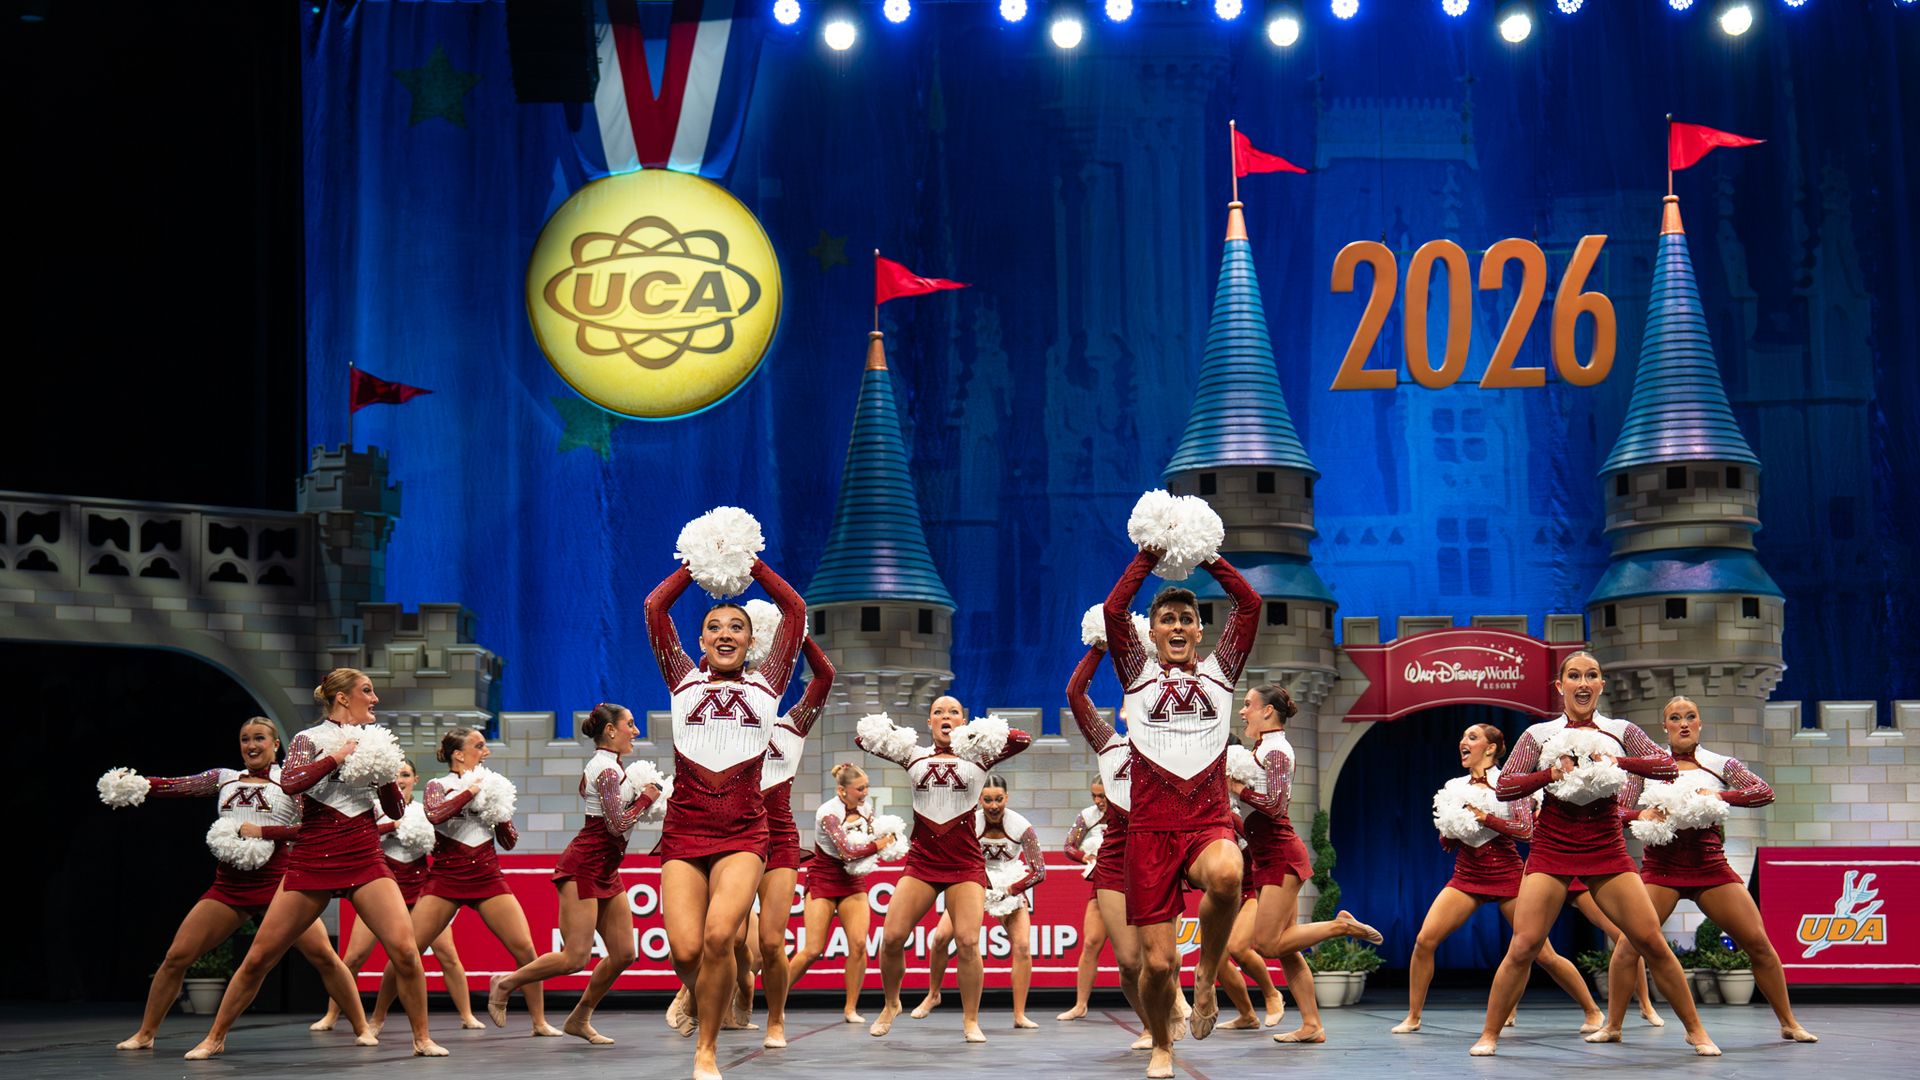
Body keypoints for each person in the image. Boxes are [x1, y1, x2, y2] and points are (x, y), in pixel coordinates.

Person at [184, 670, 445, 1059]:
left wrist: (384, 774)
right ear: (342, 698)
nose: (375, 699)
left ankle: (422, 1038)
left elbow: (394, 809)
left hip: (363, 855)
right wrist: (341, 756)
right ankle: (214, 1036)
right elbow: (290, 782)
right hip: (313, 856)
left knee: (405, 951)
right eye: (367, 692)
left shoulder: (376, 741)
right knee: (259, 957)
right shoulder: (309, 739)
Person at [1468, 652, 1717, 1057]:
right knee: (1525, 945)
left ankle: (1696, 1030)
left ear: (1601, 684)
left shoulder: (1621, 730)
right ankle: (1490, 1034)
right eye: (1574, 676)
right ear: (1560, 686)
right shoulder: (1538, 734)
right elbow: (1507, 786)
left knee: (1651, 939)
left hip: (1605, 847)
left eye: (1591, 675)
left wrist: (1615, 760)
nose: (1583, 683)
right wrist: (1550, 774)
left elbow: (1664, 765)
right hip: (1552, 847)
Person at [116, 718, 371, 1051]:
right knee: (176, 957)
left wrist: (265, 832)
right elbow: (175, 785)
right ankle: (145, 1034)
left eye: (260, 738)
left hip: (282, 885)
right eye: (245, 739)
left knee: (323, 956)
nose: (252, 745)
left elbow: (308, 830)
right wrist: (135, 784)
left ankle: (362, 1027)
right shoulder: (224, 778)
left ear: (276, 744)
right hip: (229, 886)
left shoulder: (291, 781)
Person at [644, 557, 806, 1080]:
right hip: (684, 830)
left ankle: (706, 1051)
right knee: (687, 950)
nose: (725, 633)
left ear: (752, 640)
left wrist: (749, 564)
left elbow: (795, 608)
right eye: (714, 626)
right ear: (700, 641)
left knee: (720, 938)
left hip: (744, 833)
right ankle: (703, 996)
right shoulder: (681, 679)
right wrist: (697, 564)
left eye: (737, 626)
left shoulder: (770, 685)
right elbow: (655, 606)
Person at [1102, 549, 1256, 1076]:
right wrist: (1148, 556)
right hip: (1148, 831)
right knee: (1158, 965)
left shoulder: (1221, 674)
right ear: (1155, 632)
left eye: (1187, 619)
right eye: (1167, 618)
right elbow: (1115, 610)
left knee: (1229, 871)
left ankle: (1208, 978)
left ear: (1198, 632)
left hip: (1206, 819)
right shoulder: (1136, 675)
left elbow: (1249, 603)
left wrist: (1206, 555)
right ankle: (1164, 1042)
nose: (1177, 625)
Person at [1592, 696, 1816, 1044]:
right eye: (1675, 718)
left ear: (1699, 723)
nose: (1683, 723)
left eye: (1690, 717)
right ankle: (1613, 1027)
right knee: (1627, 945)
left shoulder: (1719, 764)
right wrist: (1641, 815)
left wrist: (1718, 798)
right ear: (1664, 726)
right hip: (1661, 870)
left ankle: (1788, 1022)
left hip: (1710, 868)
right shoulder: (1648, 766)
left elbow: (1763, 792)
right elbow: (1614, 812)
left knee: (1758, 944)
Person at [1390, 723, 1603, 1035]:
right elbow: (1447, 841)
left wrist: (1484, 817)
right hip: (1467, 875)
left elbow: (1526, 830)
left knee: (1542, 952)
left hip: (1508, 876)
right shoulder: (1454, 786)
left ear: (1490, 748)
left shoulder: (1508, 784)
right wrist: (1449, 834)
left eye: (1472, 737)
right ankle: (1413, 1016)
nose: (1464, 742)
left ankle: (1593, 1011)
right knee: (1425, 940)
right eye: (1462, 737)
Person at [486, 704, 662, 1044]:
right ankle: (506, 982)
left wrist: (636, 796)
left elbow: (586, 792)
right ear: (611, 731)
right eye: (630, 724)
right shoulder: (607, 770)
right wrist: (646, 799)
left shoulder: (607, 766)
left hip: (606, 868)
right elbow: (616, 824)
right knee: (574, 958)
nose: (636, 731)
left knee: (625, 952)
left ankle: (579, 1018)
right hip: (584, 867)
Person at [859, 697, 1032, 1043]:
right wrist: (897, 735)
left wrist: (975, 734)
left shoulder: (979, 756)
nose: (946, 717)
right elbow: (863, 738)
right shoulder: (913, 756)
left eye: (954, 712)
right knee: (891, 938)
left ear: (963, 719)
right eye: (939, 712)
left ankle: (970, 1020)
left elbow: (1021, 739)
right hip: (923, 862)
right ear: (928, 722)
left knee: (968, 941)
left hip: (965, 864)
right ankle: (891, 1003)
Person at [375, 729, 555, 1037]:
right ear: (459, 754)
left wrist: (501, 814)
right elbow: (434, 814)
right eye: (479, 746)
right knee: (407, 950)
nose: (486, 751)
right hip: (446, 877)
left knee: (525, 949)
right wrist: (471, 794)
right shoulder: (437, 785)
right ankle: (376, 1019)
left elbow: (508, 841)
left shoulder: (492, 785)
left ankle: (539, 1022)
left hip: (487, 875)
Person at [1232, 683, 1381, 1044]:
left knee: (1266, 945)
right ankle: (1312, 1025)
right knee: (1287, 948)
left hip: (1281, 855)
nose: (1243, 711)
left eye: (1249, 704)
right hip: (1267, 855)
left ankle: (1340, 926)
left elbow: (1276, 805)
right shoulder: (1262, 748)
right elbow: (1256, 815)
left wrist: (1236, 790)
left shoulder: (1278, 749)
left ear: (1268, 711)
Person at [311, 757, 483, 1033]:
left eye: (405, 774)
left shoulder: (426, 811)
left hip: (419, 891)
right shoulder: (376, 808)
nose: (400, 779)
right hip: (380, 891)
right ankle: (332, 1015)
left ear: (415, 780)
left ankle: (467, 1014)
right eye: (396, 775)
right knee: (353, 957)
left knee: (448, 954)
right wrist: (392, 826)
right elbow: (359, 834)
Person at [1066, 643, 1162, 1053]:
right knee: (1128, 963)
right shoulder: (1110, 746)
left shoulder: (1171, 745)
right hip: (1113, 857)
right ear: (1124, 712)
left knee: (1160, 961)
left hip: (1156, 854)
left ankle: (1164, 1026)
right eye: (1130, 704)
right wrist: (1100, 649)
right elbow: (1075, 695)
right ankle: (1149, 1025)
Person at [914, 773, 1047, 1029]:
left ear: (1006, 798)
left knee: (1021, 947)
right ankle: (933, 994)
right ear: (979, 800)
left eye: (999, 799)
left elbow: (1039, 871)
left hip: (1009, 882)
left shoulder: (1022, 827)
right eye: (987, 800)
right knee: (941, 938)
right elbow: (952, 857)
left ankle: (1019, 1014)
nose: (994, 806)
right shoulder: (969, 823)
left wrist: (1011, 889)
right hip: (974, 879)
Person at [758, 638, 835, 1049]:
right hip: (734, 836)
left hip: (780, 839)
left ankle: (775, 1020)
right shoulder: (726, 718)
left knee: (771, 942)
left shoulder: (793, 725)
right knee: (728, 939)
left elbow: (825, 676)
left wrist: (797, 634)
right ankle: (698, 996)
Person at [786, 763, 895, 1024]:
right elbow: (847, 851)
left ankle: (850, 1008)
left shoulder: (865, 809)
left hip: (852, 880)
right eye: (860, 788)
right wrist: (881, 843)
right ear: (842, 790)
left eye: (867, 786)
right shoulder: (828, 813)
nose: (865, 792)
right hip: (824, 877)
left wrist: (888, 838)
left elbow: (868, 842)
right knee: (812, 949)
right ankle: (776, 997)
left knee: (858, 945)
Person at [1056, 780, 1112, 1023]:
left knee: (1138, 952)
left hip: (1130, 885)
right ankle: (1080, 1004)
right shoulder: (1088, 816)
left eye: (1103, 796)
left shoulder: (1129, 809)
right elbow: (1068, 846)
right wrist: (1086, 856)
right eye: (1094, 796)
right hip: (1101, 885)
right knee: (1090, 944)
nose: (1098, 801)